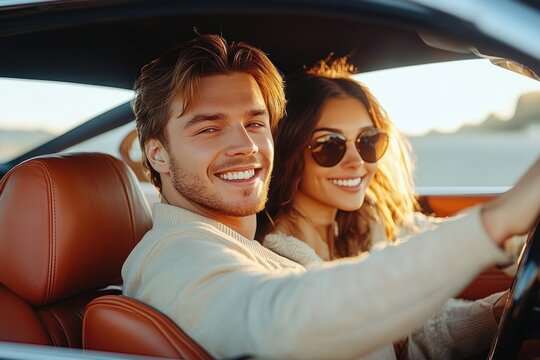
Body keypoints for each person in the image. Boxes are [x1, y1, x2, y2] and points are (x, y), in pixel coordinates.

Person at [122, 33, 540, 360]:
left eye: (255, 123)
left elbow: (391, 343)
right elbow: (287, 324)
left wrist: (500, 315)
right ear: (156, 154)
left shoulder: (241, 249)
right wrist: (497, 220)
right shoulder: (175, 255)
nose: (245, 147)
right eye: (209, 128)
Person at [255, 57, 513, 359]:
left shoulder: (364, 222)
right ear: (288, 152)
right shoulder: (281, 260)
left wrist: (499, 310)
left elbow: (417, 330)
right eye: (329, 145)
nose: (357, 161)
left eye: (368, 141)